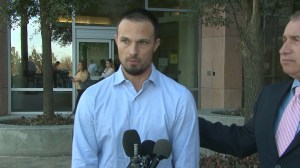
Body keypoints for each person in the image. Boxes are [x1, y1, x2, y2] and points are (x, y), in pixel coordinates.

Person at [72, 8, 199, 167]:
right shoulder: (91, 99)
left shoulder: (180, 99)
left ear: (155, 44)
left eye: (143, 42)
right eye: (126, 41)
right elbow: (83, 162)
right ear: (116, 40)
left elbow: (187, 163)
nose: (133, 51)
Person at [199, 10, 300, 167]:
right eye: (284, 40)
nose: (283, 50)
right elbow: (242, 141)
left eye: (296, 39)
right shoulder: (270, 96)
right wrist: (186, 122)